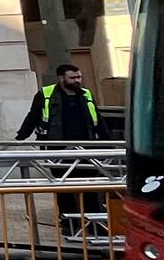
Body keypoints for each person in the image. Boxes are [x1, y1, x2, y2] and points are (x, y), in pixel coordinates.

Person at [15, 63, 111, 240]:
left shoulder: (85, 94)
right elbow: (33, 115)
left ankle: (96, 227)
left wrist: (108, 142)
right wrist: (21, 136)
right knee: (64, 188)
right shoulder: (46, 94)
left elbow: (96, 118)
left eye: (79, 77)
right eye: (73, 78)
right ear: (61, 78)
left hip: (85, 148)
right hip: (58, 149)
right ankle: (70, 226)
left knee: (91, 188)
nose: (77, 81)